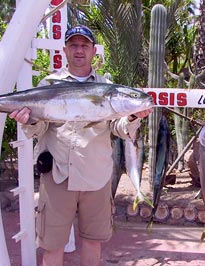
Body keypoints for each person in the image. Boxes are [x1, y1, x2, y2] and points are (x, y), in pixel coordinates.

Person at [9, 25, 152, 266]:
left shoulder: (107, 86)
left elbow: (117, 128)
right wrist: (29, 119)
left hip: (95, 176)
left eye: (84, 45)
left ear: (93, 50)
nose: (79, 50)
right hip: (58, 176)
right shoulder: (48, 84)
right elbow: (39, 128)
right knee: (52, 245)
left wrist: (133, 116)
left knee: (93, 242)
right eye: (73, 45)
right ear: (64, 50)